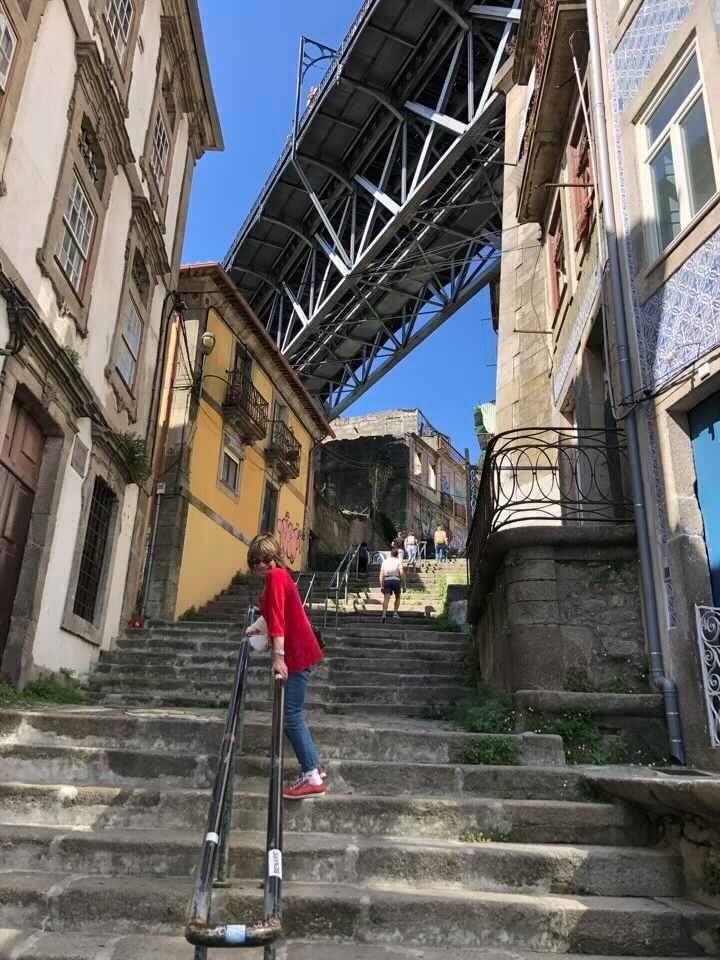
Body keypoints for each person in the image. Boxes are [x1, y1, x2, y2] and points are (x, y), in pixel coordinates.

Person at [246, 534, 326, 800]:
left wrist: (278, 657)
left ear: (273, 558)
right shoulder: (276, 578)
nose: (259, 565)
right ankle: (315, 766)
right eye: (254, 561)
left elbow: (279, 618)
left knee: (291, 715)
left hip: (295, 654)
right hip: (296, 653)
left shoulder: (276, 576)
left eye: (263, 559)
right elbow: (271, 614)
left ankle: (312, 775)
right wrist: (256, 627)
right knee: (290, 714)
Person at [380, 546, 405, 623]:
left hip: (387, 580)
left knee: (386, 598)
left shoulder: (385, 561)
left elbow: (381, 574)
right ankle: (395, 613)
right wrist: (404, 584)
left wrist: (381, 585)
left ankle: (384, 614)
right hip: (396, 580)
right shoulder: (398, 561)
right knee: (397, 597)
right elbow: (401, 573)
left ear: (390, 554)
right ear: (397, 555)